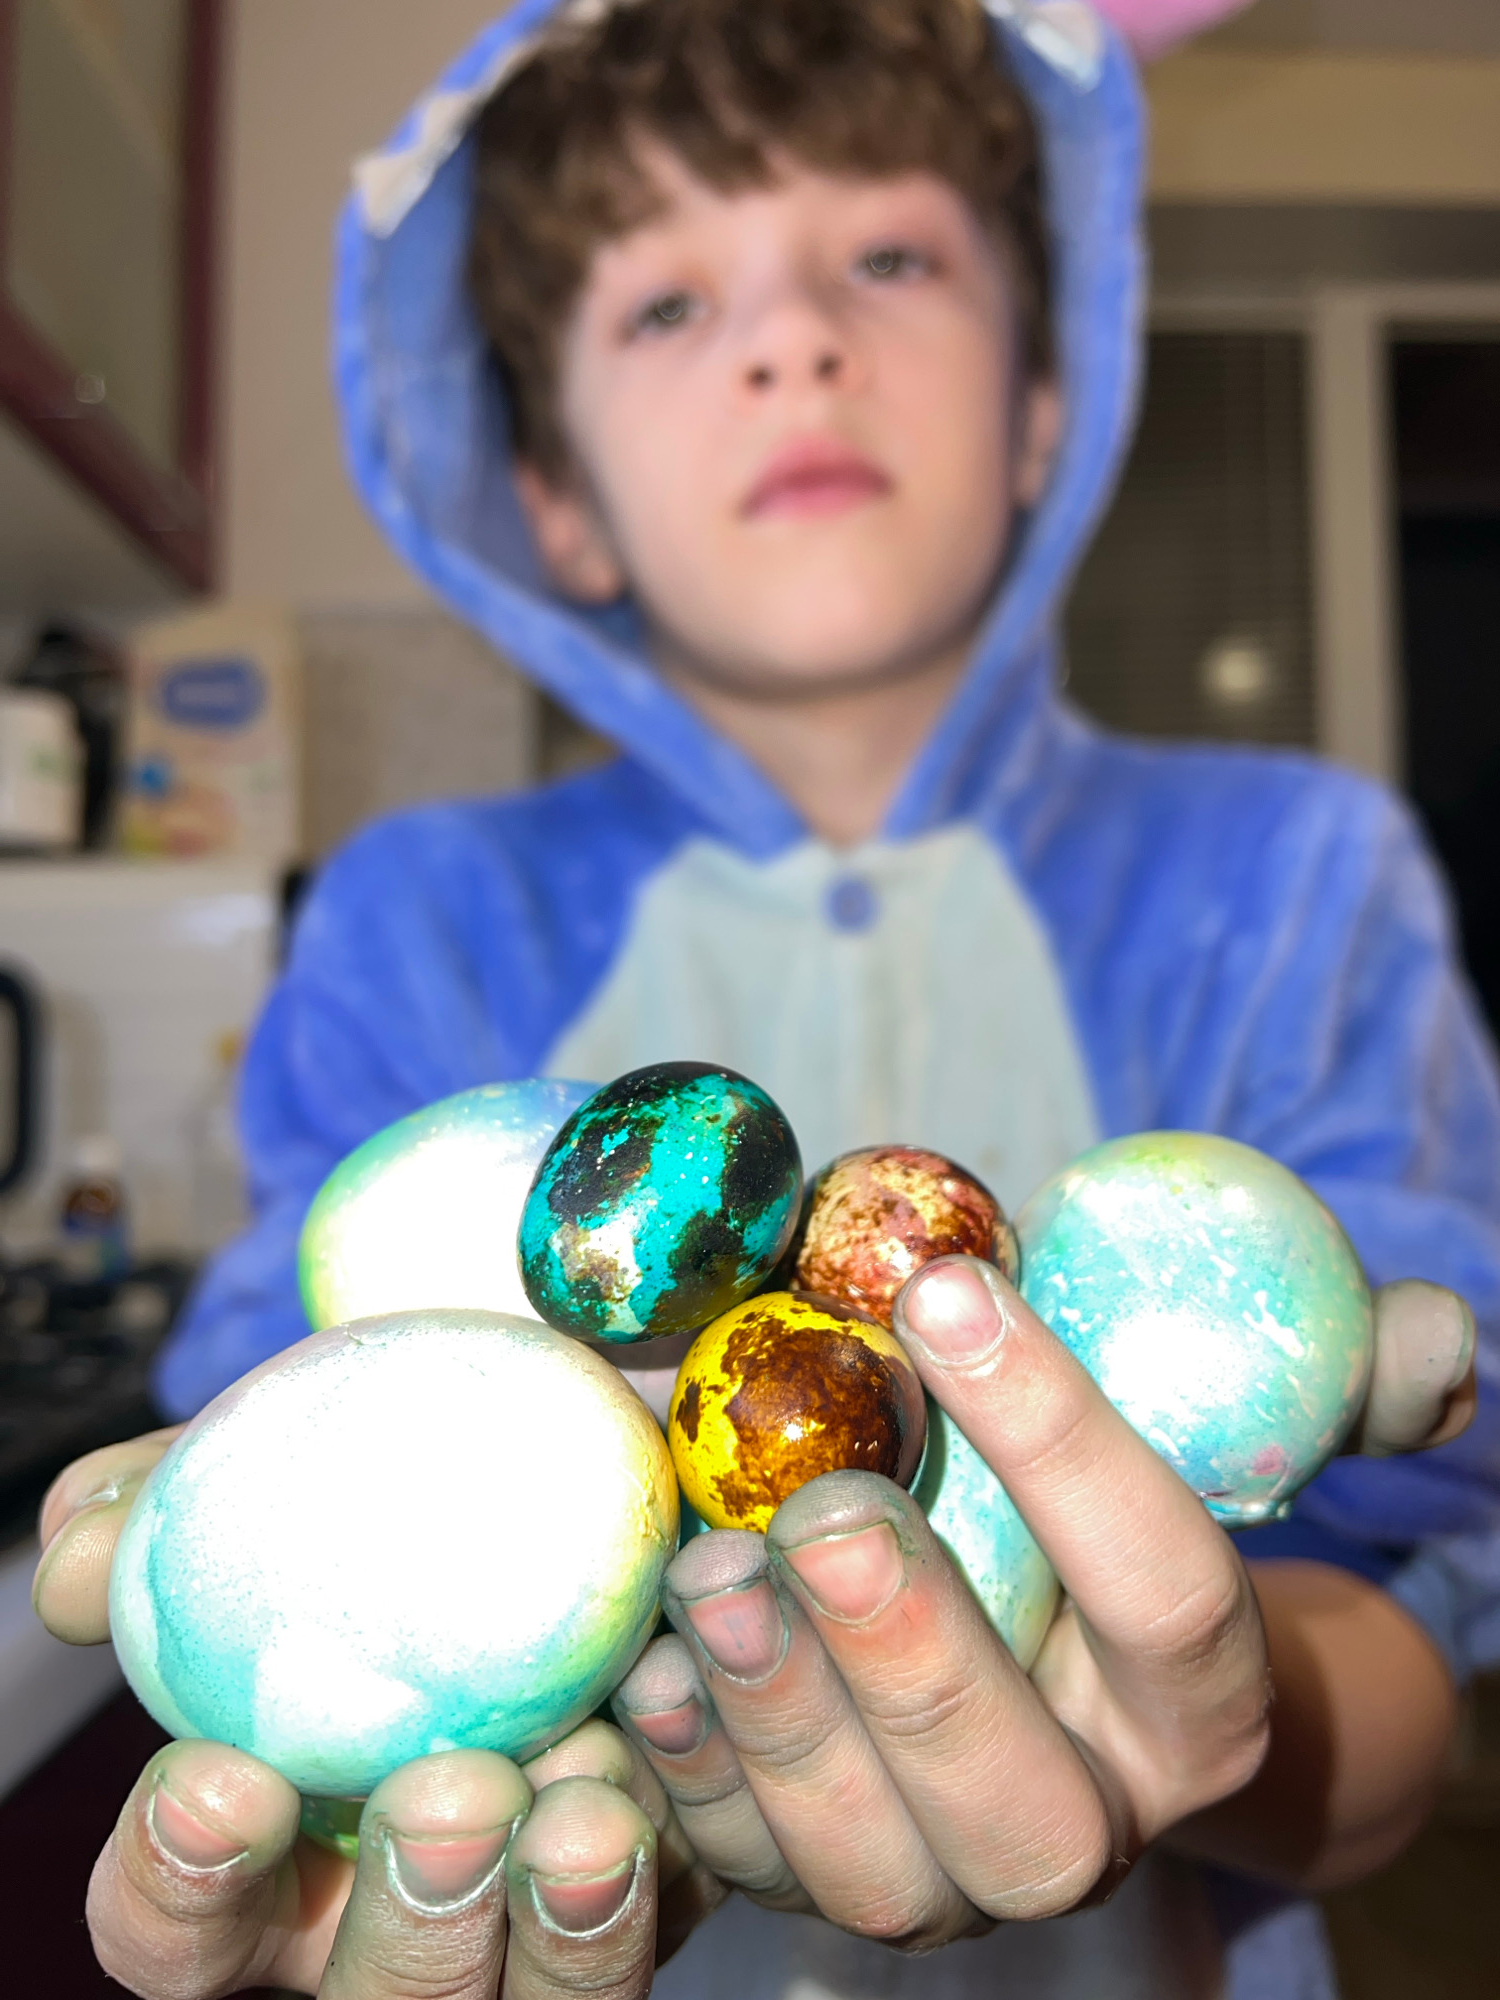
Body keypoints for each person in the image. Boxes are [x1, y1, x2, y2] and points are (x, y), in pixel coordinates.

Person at [33, 2, 1500, 1995]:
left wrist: (1208, 1721)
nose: (793, 341)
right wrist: (318, 1741)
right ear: (554, 491)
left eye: (886, 257)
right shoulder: (419, 914)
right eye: (666, 304)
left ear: (1044, 400)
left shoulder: (1294, 876)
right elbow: (297, 1436)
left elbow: (1406, 1623)